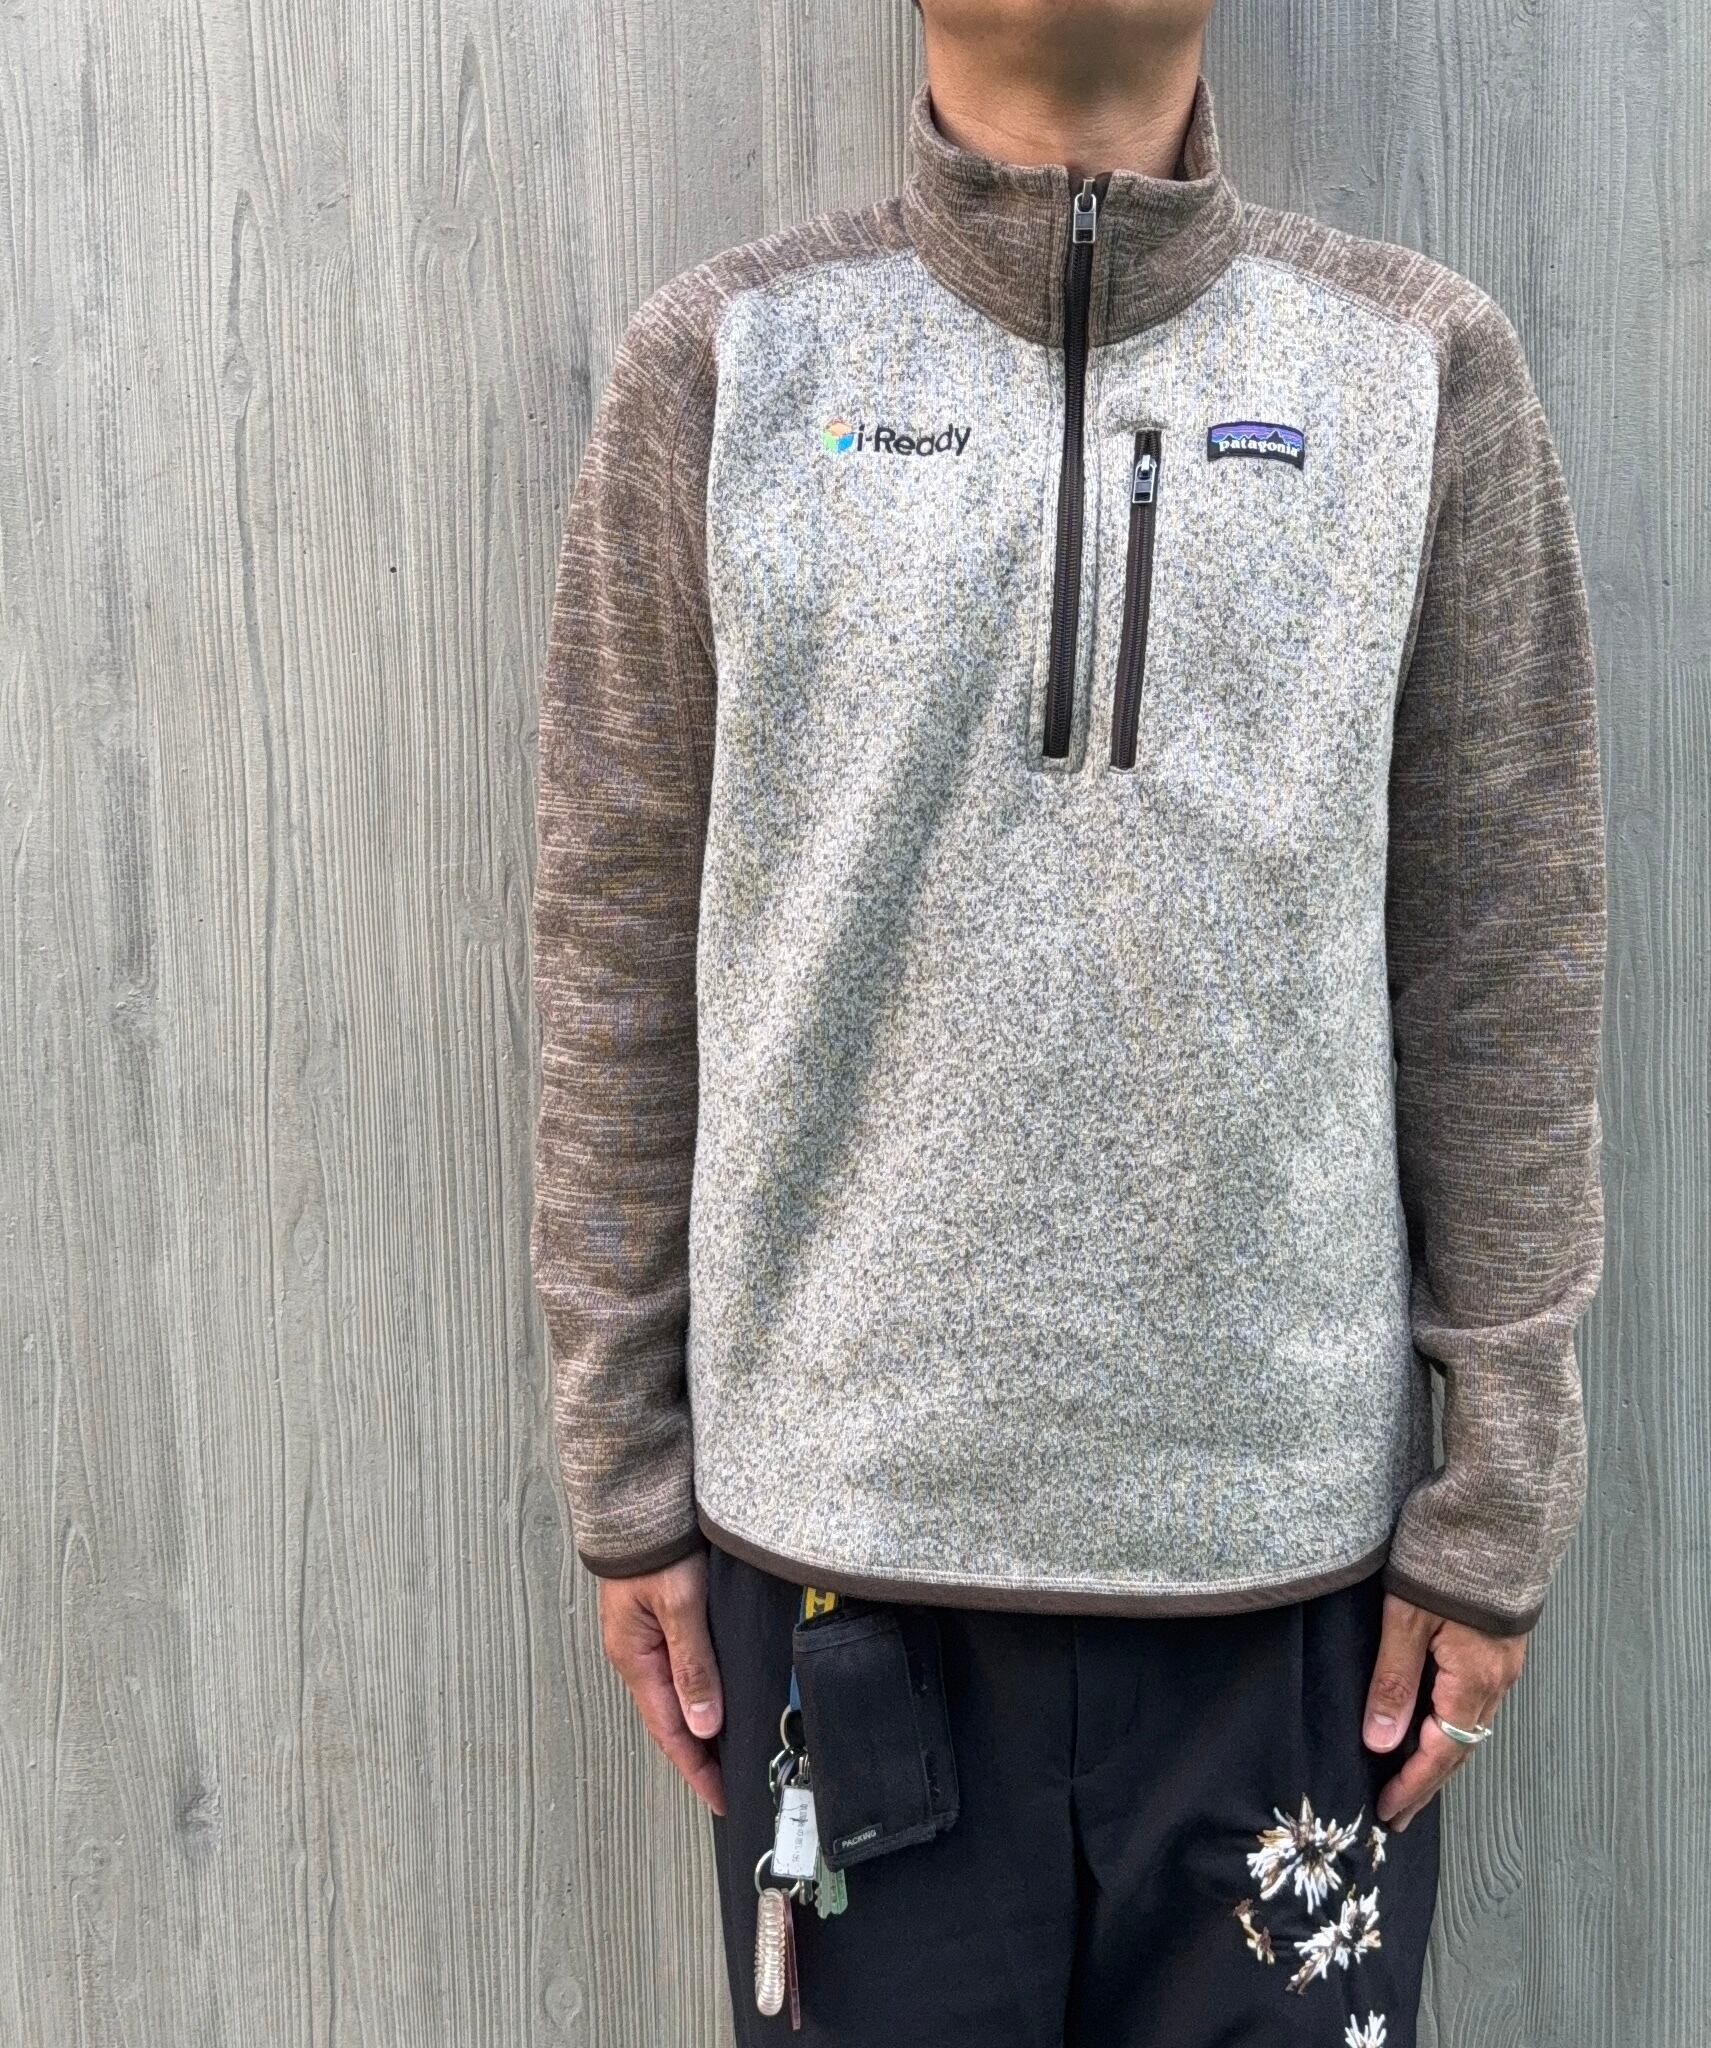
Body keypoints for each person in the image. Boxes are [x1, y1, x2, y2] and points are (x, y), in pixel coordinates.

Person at [529, 0, 1607, 2040]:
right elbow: (614, 943)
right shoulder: (731, 368)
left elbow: (1504, 965)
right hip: (837, 1571)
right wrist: (623, 1464)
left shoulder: (1413, 372)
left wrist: (1496, 1503)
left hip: (1297, 1598)